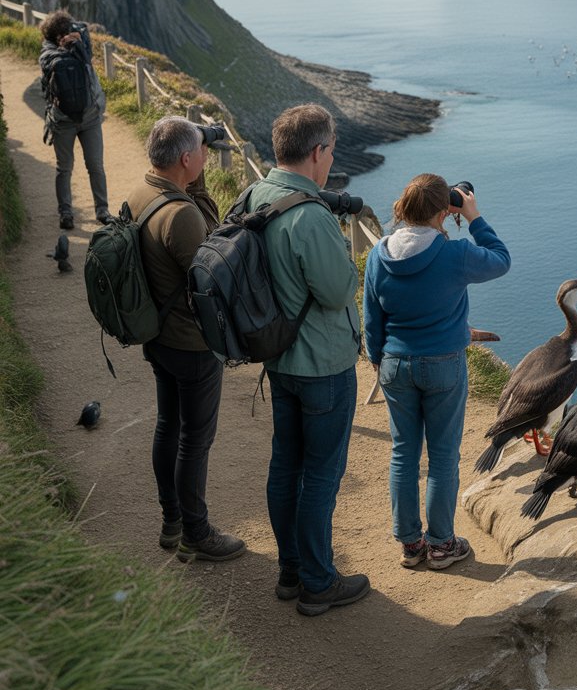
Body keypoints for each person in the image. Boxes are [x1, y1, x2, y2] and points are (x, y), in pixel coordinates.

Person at [243, 104, 368, 616]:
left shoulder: (255, 194)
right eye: (331, 149)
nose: (331, 157)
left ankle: (291, 570)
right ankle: (319, 582)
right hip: (322, 364)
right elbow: (339, 289)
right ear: (318, 152)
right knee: (320, 473)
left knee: (285, 464)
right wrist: (343, 252)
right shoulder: (310, 216)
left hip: (280, 357)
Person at [363, 175, 510, 571]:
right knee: (443, 457)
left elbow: (371, 318)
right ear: (445, 210)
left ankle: (411, 545)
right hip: (443, 363)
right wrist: (475, 216)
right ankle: (443, 544)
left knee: (403, 453)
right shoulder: (454, 253)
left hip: (394, 363)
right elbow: (501, 259)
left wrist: (380, 360)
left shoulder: (379, 253)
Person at [126, 116, 246, 564]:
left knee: (168, 425)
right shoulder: (182, 215)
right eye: (200, 147)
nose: (204, 150)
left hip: (157, 335)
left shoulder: (142, 193)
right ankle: (196, 533)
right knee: (195, 440)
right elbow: (212, 267)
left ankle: (172, 519)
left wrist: (193, 179)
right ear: (185, 159)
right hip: (191, 344)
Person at [38, 9, 111, 229]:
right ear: (53, 37)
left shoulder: (81, 41)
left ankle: (103, 210)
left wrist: (77, 43)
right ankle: (66, 213)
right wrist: (65, 48)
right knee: (64, 167)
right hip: (63, 120)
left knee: (96, 165)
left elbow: (86, 58)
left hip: (90, 117)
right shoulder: (47, 54)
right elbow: (54, 65)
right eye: (61, 35)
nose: (66, 36)